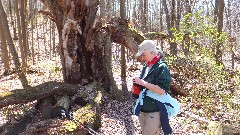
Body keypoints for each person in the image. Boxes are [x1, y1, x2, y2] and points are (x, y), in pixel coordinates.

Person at [132, 40, 179, 135]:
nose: (142, 57)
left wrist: (143, 82)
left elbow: (161, 91)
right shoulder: (146, 65)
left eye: (144, 55)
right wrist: (137, 87)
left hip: (154, 111)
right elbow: (144, 85)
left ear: (152, 52)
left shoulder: (161, 67)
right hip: (143, 108)